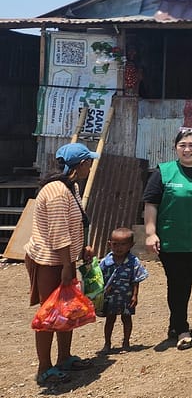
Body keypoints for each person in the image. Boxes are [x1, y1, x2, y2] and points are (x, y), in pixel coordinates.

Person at [24, 142, 97, 385]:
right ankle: (44, 368)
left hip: (65, 258)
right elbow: (58, 234)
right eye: (89, 163)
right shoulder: (57, 192)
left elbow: (75, 223)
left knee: (67, 309)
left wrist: (82, 248)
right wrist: (67, 266)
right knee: (49, 312)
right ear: (82, 164)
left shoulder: (71, 186)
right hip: (50, 260)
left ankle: (64, 357)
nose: (90, 167)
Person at [143, 127, 192, 351]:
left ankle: (175, 325)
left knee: (186, 280)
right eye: (182, 145)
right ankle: (181, 328)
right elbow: (151, 204)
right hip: (171, 237)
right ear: (175, 148)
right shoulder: (164, 172)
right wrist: (150, 233)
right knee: (177, 281)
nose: (187, 149)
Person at [98, 227, 149, 354]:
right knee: (110, 319)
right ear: (109, 244)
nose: (118, 248)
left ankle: (126, 343)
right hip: (110, 297)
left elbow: (136, 279)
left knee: (126, 319)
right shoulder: (105, 262)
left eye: (123, 244)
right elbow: (98, 277)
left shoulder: (133, 262)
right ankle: (107, 344)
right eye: (115, 244)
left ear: (131, 245)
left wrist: (135, 295)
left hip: (126, 296)